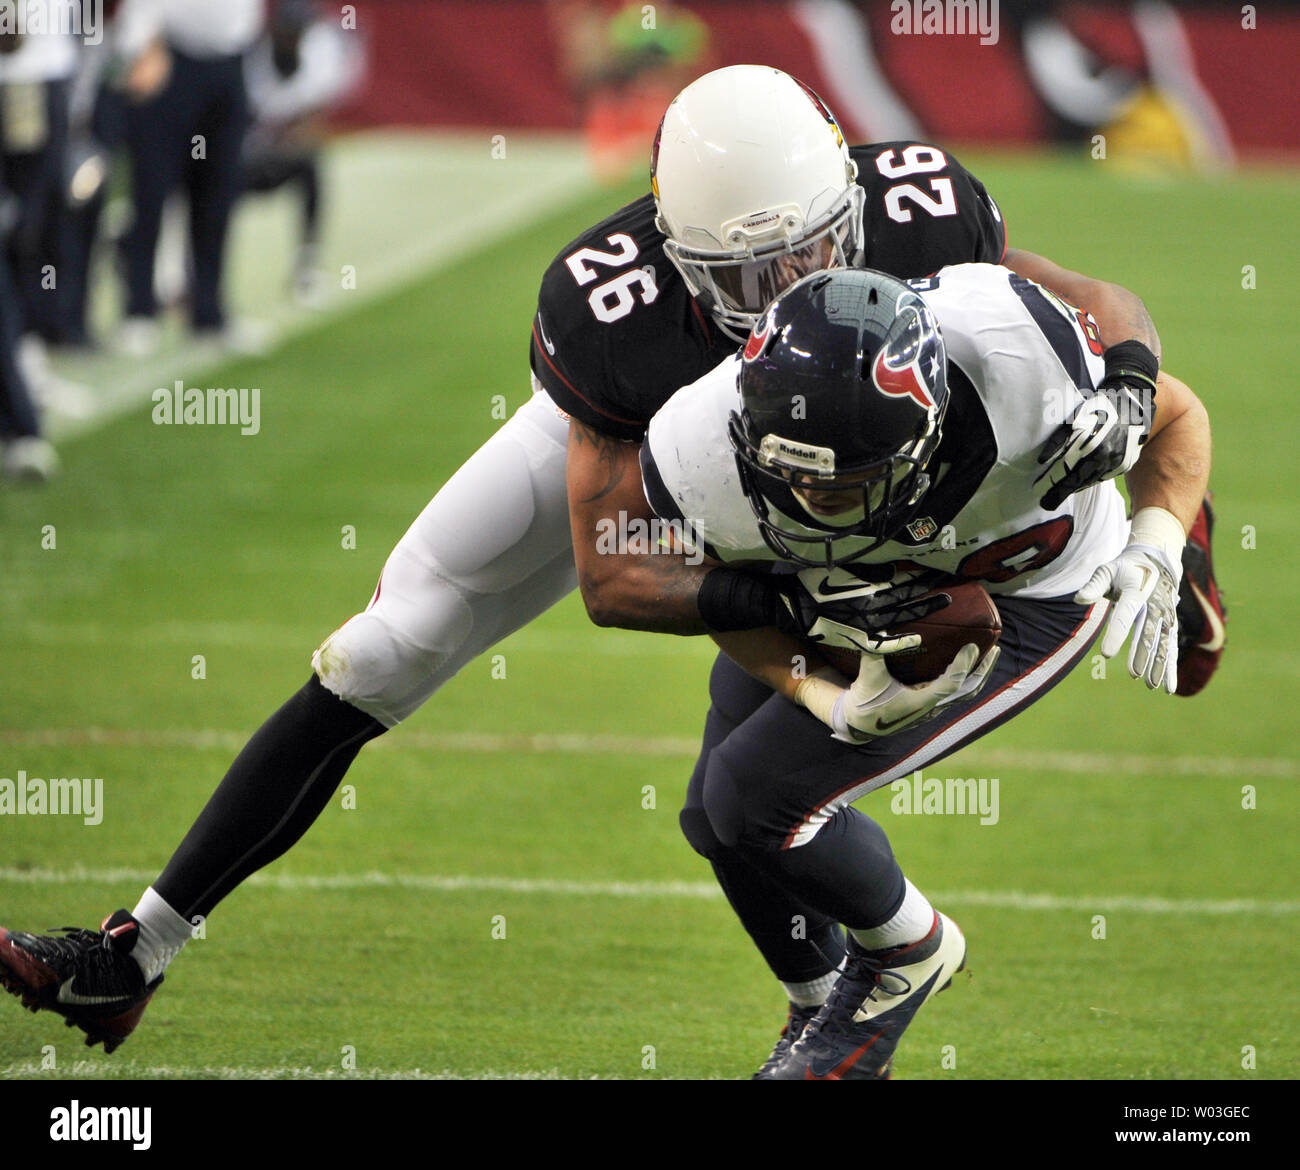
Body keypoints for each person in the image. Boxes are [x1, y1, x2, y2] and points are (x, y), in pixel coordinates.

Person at [0, 65, 1219, 1058]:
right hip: (689, 474)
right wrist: (808, 627)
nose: (799, 289)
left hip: (870, 498)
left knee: (741, 790)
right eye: (755, 275)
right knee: (386, 646)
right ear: (681, 258)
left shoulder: (920, 209)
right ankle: (138, 948)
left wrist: (1132, 417)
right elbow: (616, 568)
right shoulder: (623, 326)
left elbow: (1062, 328)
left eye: (816, 250)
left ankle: (1142, 544)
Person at [633, 263, 1209, 1076]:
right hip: (849, 591)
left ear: (924, 438)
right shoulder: (698, 447)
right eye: (789, 472)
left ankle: (906, 953)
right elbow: (723, 601)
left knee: (753, 797)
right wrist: (819, 695)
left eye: (843, 481)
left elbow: (1177, 414)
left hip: (1027, 595)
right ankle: (818, 1008)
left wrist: (1157, 538)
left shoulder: (1023, 370)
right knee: (714, 821)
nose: (807, 494)